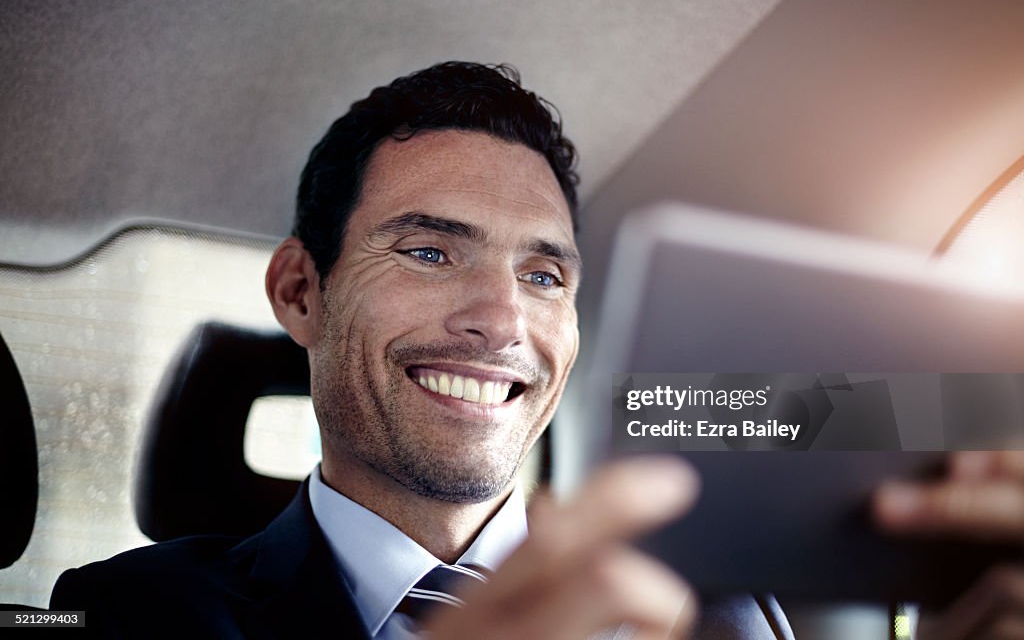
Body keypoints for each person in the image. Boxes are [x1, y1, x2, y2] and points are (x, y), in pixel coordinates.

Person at [48, 61, 1024, 640]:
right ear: (301, 291)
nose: (501, 318)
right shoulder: (128, 614)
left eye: (545, 275)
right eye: (430, 250)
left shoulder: (724, 616)